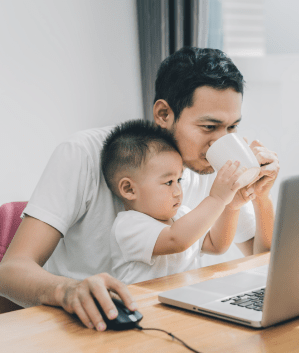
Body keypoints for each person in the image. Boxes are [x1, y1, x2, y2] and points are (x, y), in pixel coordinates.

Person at [0, 47, 278, 332]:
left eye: (232, 127)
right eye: (209, 126)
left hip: (171, 321)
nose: (220, 141)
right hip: (86, 328)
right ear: (163, 113)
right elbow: (10, 272)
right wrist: (67, 290)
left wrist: (262, 197)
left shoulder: (213, 165)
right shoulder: (84, 153)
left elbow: (264, 260)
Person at [102, 120, 253, 284]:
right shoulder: (128, 226)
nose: (178, 191)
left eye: (179, 179)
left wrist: (230, 206)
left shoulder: (183, 215)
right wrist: (217, 198)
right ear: (129, 189)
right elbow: (176, 240)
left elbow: (216, 245)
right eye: (168, 182)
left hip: (185, 301)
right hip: (144, 308)